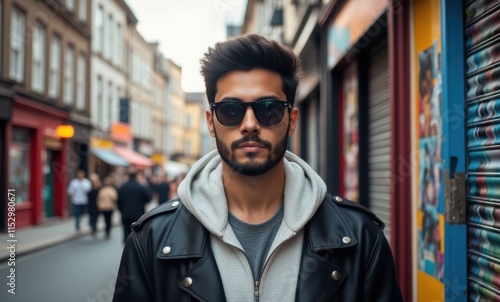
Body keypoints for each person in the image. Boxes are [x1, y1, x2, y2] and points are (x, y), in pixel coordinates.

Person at [113, 34, 402, 301]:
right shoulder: (151, 241)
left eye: (268, 109)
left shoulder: (360, 237)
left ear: (292, 120)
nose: (249, 125)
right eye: (230, 110)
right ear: (211, 123)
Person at [116, 169, 151, 243]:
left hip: (125, 213)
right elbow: (148, 198)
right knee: (137, 233)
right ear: (136, 177)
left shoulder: (122, 187)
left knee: (126, 232)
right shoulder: (140, 187)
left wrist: (121, 210)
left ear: (128, 176)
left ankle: (127, 248)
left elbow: (118, 201)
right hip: (138, 214)